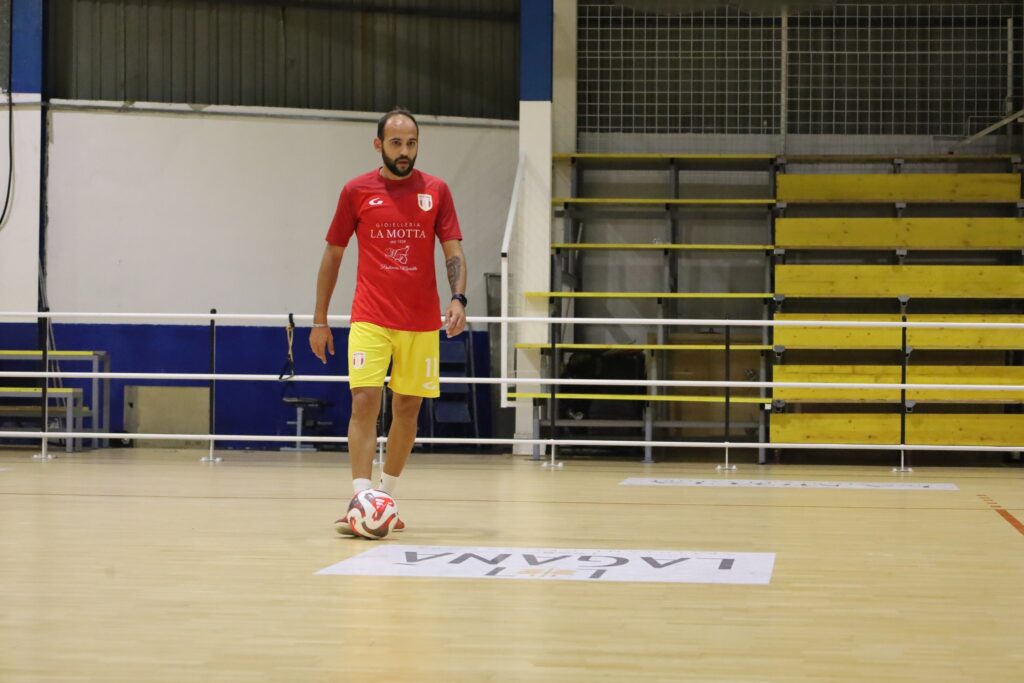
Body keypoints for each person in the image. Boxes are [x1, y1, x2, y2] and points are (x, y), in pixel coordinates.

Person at [309, 108, 467, 536]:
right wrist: (319, 319)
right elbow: (333, 255)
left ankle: (387, 498)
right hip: (370, 317)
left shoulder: (437, 191)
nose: (404, 151)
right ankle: (361, 498)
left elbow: (453, 251)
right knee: (364, 402)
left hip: (420, 322)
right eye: (396, 143)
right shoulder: (356, 191)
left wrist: (458, 298)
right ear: (379, 144)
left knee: (408, 407)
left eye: (411, 143)